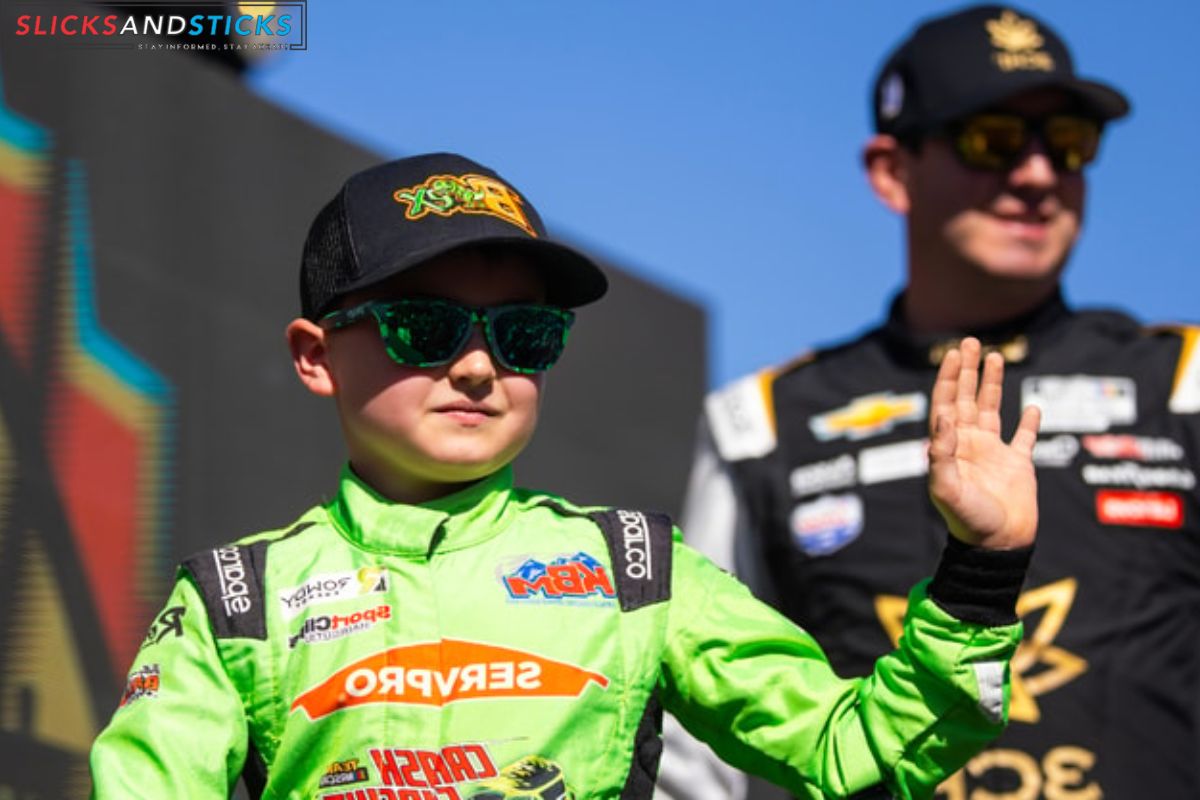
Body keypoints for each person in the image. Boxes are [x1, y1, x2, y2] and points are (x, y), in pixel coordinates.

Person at [88, 152, 1041, 800]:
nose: (475, 366)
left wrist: (982, 566)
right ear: (315, 355)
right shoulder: (236, 598)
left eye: (522, 335)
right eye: (424, 328)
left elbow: (858, 756)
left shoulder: (635, 570)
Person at [660, 4, 1200, 799]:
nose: (1039, 175)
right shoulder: (763, 420)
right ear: (892, 170)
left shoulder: (1183, 381)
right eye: (994, 140)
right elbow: (693, 750)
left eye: (1071, 144)